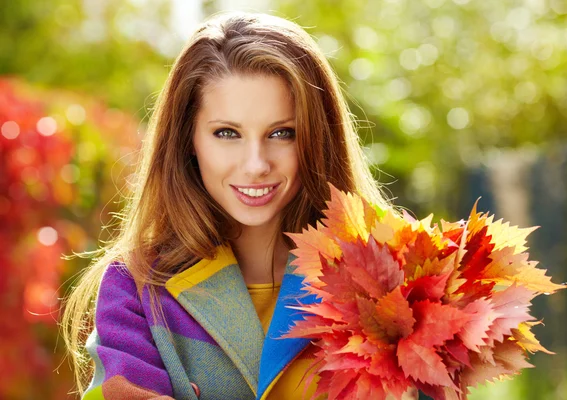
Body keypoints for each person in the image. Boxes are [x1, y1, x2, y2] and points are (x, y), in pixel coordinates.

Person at [62, 11, 394, 400]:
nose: (256, 165)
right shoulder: (135, 286)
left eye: (282, 133)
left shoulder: (385, 276)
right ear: (189, 139)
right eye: (227, 133)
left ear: (317, 139)